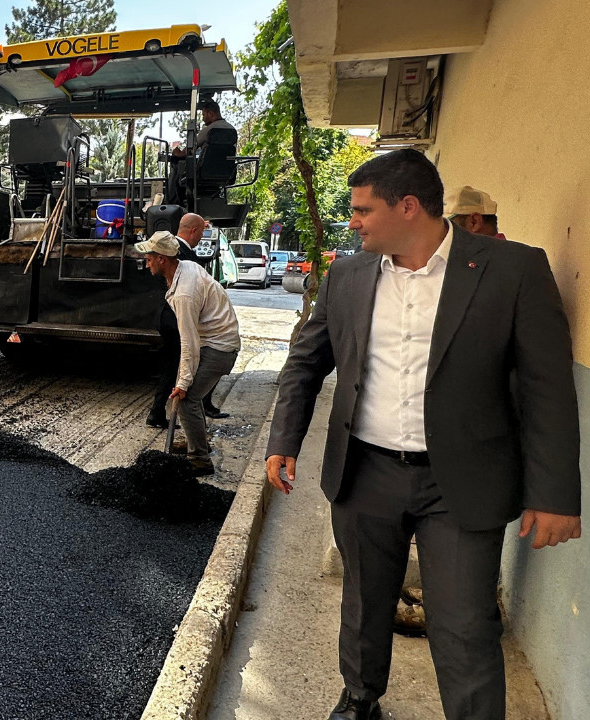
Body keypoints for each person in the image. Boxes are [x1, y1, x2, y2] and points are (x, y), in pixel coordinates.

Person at [265, 149, 581, 720]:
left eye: (363, 210)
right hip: (365, 473)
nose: (353, 222)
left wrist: (554, 494)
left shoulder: (512, 270)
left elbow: (548, 388)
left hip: (461, 482)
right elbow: (306, 362)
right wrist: (284, 439)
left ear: (408, 206)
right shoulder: (348, 276)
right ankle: (360, 699)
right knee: (365, 603)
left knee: (464, 623)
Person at [136, 232, 240, 474]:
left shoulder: (185, 293)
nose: (147, 263)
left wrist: (182, 382)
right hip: (214, 341)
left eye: (149, 258)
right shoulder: (186, 267)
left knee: (186, 399)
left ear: (162, 258)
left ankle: (200, 459)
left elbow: (188, 341)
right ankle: (197, 441)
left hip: (219, 348)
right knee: (191, 396)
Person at [174, 212, 230, 419]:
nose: (201, 238)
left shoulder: (187, 269)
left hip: (212, 335)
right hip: (195, 325)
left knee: (187, 387)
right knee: (186, 392)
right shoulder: (184, 261)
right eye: (200, 233)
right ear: (193, 231)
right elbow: (189, 342)